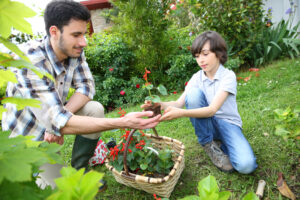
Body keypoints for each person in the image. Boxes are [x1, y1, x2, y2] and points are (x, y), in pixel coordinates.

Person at [2, 0, 160, 189]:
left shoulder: (73, 50)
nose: (83, 42)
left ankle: (80, 169)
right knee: (63, 190)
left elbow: (86, 87)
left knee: (94, 109)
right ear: (54, 32)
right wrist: (123, 122)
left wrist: (58, 121)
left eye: (83, 34)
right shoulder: (31, 60)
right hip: (28, 141)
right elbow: (58, 119)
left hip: (52, 125)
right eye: (76, 34)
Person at [142, 31, 257, 174]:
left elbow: (212, 109)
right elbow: (178, 103)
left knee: (246, 166)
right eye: (197, 56)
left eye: (205, 54)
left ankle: (222, 144)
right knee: (193, 94)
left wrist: (181, 113)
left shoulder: (228, 76)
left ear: (218, 53)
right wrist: (160, 105)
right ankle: (209, 144)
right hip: (207, 124)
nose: (201, 60)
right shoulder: (197, 77)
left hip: (228, 123)